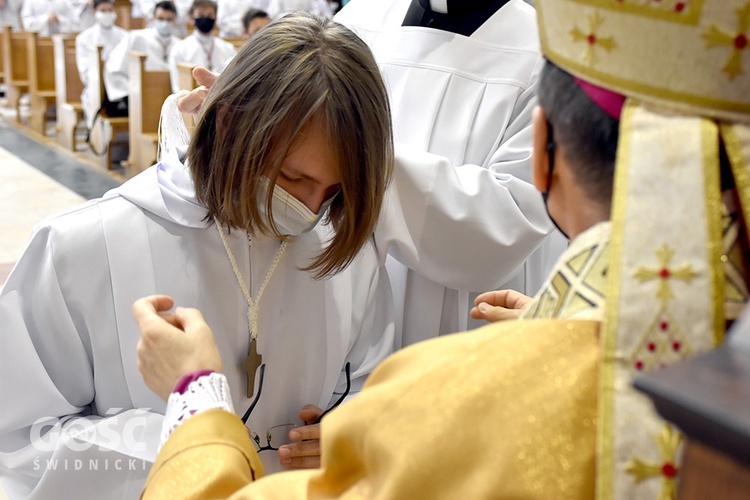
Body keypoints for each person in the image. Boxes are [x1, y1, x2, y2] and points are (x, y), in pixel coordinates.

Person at [135, 0, 750, 497]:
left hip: (458, 336)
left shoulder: (538, 43)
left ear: (544, 151)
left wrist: (196, 391)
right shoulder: (356, 21)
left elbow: (505, 221)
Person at [0, 13, 395, 498]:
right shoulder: (84, 245)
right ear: (228, 123)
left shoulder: (343, 245)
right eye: (294, 179)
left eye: (334, 190)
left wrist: (348, 427)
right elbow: (18, 443)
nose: (312, 211)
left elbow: (369, 375)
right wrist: (190, 440)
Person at [333, 0, 567, 349]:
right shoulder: (357, 20)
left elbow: (508, 218)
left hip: (467, 322)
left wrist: (355, 156)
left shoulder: (547, 50)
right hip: (345, 300)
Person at [104, 1, 181, 103]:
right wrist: (133, 93)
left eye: (169, 19)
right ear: (153, 18)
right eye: (161, 19)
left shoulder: (180, 45)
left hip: (170, 99)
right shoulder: (136, 37)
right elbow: (114, 67)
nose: (165, 23)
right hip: (138, 97)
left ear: (175, 21)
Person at [76, 0, 128, 127]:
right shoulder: (84, 38)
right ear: (94, 11)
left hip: (122, 84)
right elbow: (84, 69)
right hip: (97, 85)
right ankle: (96, 134)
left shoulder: (124, 36)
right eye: (103, 11)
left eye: (110, 10)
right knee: (93, 96)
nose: (107, 14)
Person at [168, 0, 236, 93]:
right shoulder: (179, 49)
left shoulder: (228, 48)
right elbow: (177, 88)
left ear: (215, 17)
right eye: (200, 15)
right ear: (191, 18)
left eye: (209, 15)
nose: (205, 19)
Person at [21, 0, 94, 36]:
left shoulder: (65, 1)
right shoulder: (30, 1)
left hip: (62, 40)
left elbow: (75, 22)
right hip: (38, 40)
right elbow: (26, 23)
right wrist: (46, 19)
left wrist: (59, 20)